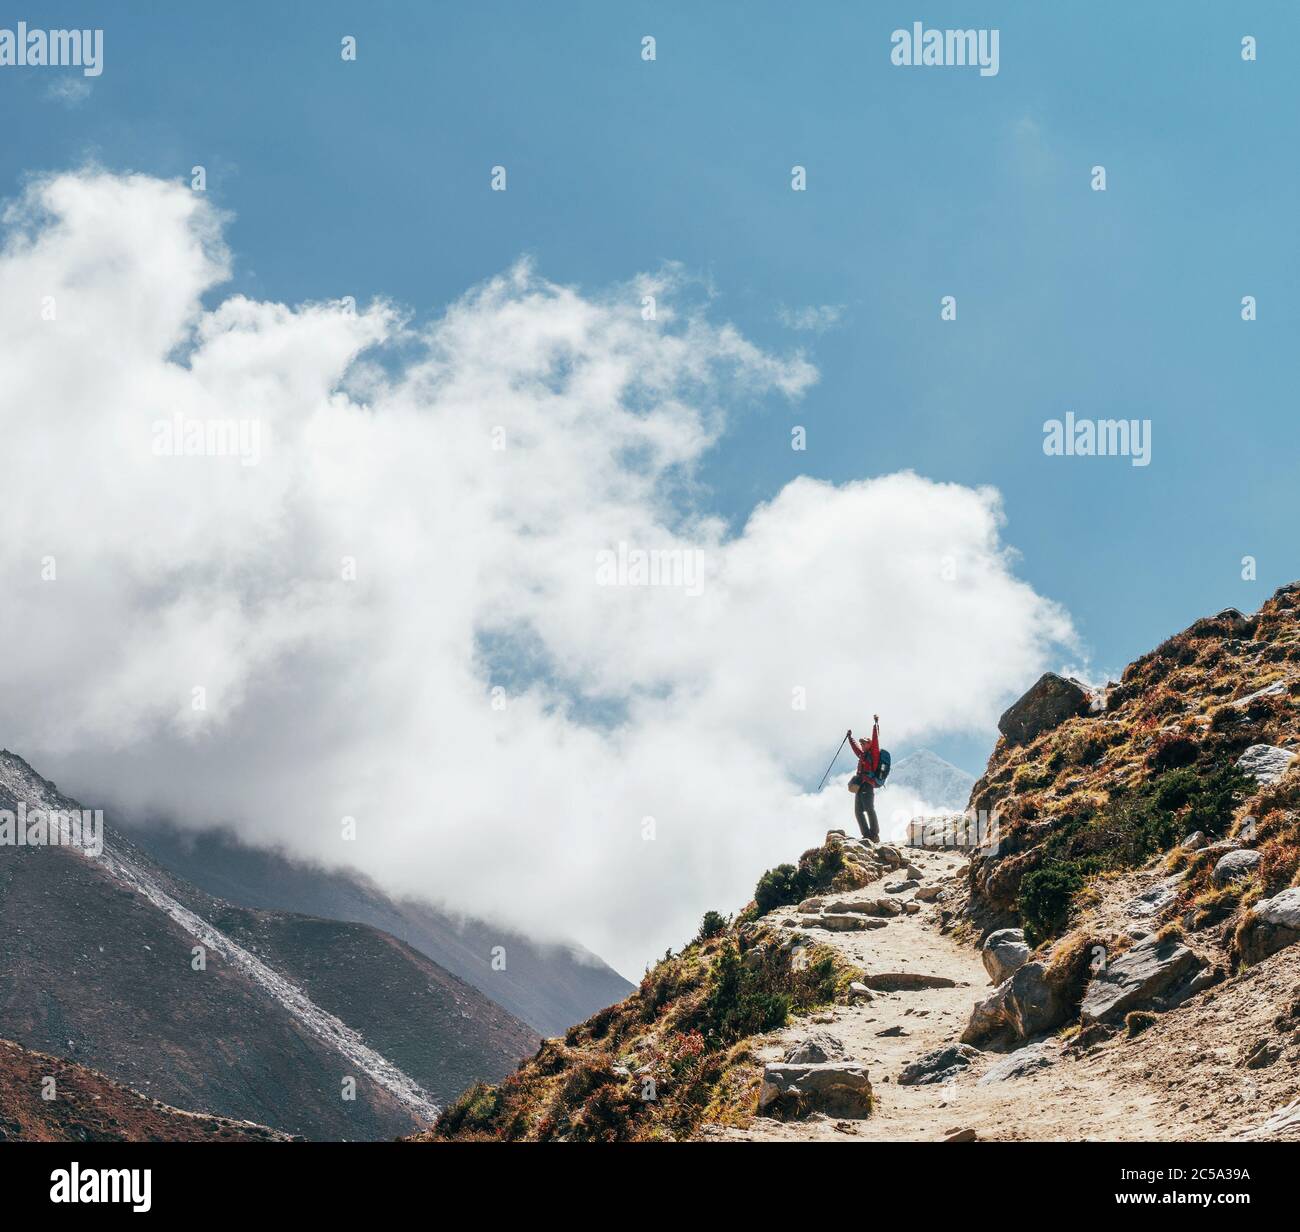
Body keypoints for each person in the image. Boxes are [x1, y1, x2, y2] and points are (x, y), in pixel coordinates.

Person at [847, 715, 882, 842]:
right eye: (861, 743)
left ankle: (874, 834)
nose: (861, 745)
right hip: (860, 785)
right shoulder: (862, 755)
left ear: (869, 744)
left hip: (868, 785)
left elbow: (875, 739)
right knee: (858, 811)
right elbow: (855, 748)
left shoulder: (874, 754)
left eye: (864, 743)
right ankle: (866, 834)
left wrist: (875, 725)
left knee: (869, 809)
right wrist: (850, 738)